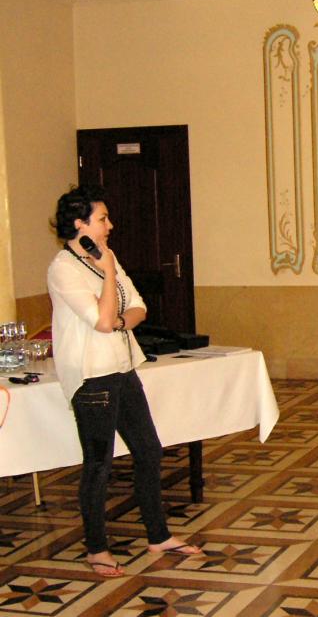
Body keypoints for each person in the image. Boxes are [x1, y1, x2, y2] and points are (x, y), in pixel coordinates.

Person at [48, 185, 201, 578]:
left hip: (122, 368)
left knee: (149, 450)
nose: (110, 225)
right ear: (80, 225)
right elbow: (101, 320)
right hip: (92, 377)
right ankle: (96, 548)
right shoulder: (64, 268)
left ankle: (158, 535)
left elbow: (137, 307)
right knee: (99, 464)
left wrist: (117, 313)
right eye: (102, 219)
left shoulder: (107, 257)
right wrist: (109, 275)